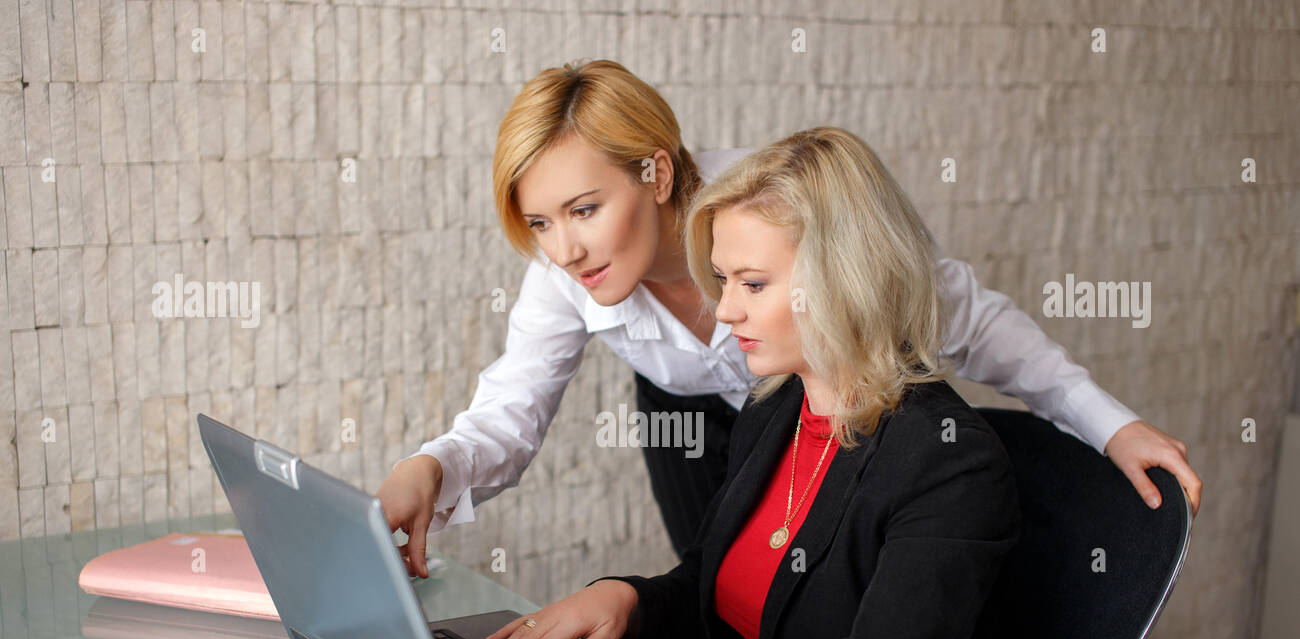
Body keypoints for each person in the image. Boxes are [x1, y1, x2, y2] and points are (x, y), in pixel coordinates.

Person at [377, 59, 1202, 594]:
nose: (565, 250)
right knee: (719, 598)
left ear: (655, 172)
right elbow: (510, 411)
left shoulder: (779, 205)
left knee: (823, 611)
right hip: (690, 413)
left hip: (824, 398)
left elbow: (975, 323)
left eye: (585, 210)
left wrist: (1110, 425)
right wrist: (430, 467)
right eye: (540, 223)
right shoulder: (564, 277)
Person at [462, 126, 1058, 639]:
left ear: (844, 279)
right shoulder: (777, 408)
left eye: (752, 284)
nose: (724, 311)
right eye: (722, 280)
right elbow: (730, 593)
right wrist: (627, 602)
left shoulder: (948, 465)